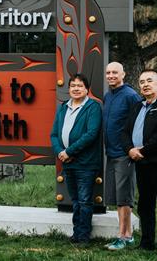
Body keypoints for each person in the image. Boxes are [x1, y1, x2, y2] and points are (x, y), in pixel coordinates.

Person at [122, 69, 157, 256]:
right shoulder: (137, 107)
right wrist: (130, 149)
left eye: (149, 81)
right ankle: (146, 242)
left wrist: (143, 151)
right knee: (145, 205)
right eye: (141, 82)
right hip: (141, 164)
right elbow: (125, 132)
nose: (145, 84)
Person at [50, 73, 102, 245]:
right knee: (75, 200)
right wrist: (60, 153)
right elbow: (54, 134)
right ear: (69, 88)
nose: (76, 89)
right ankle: (76, 233)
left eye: (80, 86)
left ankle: (84, 236)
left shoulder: (93, 107)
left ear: (87, 89)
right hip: (67, 162)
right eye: (73, 86)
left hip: (85, 163)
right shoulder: (64, 107)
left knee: (85, 200)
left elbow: (91, 134)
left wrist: (69, 151)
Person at [102, 62, 142, 251]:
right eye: (108, 72)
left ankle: (124, 237)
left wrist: (132, 149)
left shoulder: (131, 96)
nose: (111, 75)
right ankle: (125, 235)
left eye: (114, 72)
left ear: (123, 74)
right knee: (118, 197)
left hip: (125, 154)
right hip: (111, 153)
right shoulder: (108, 96)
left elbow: (138, 123)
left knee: (124, 197)